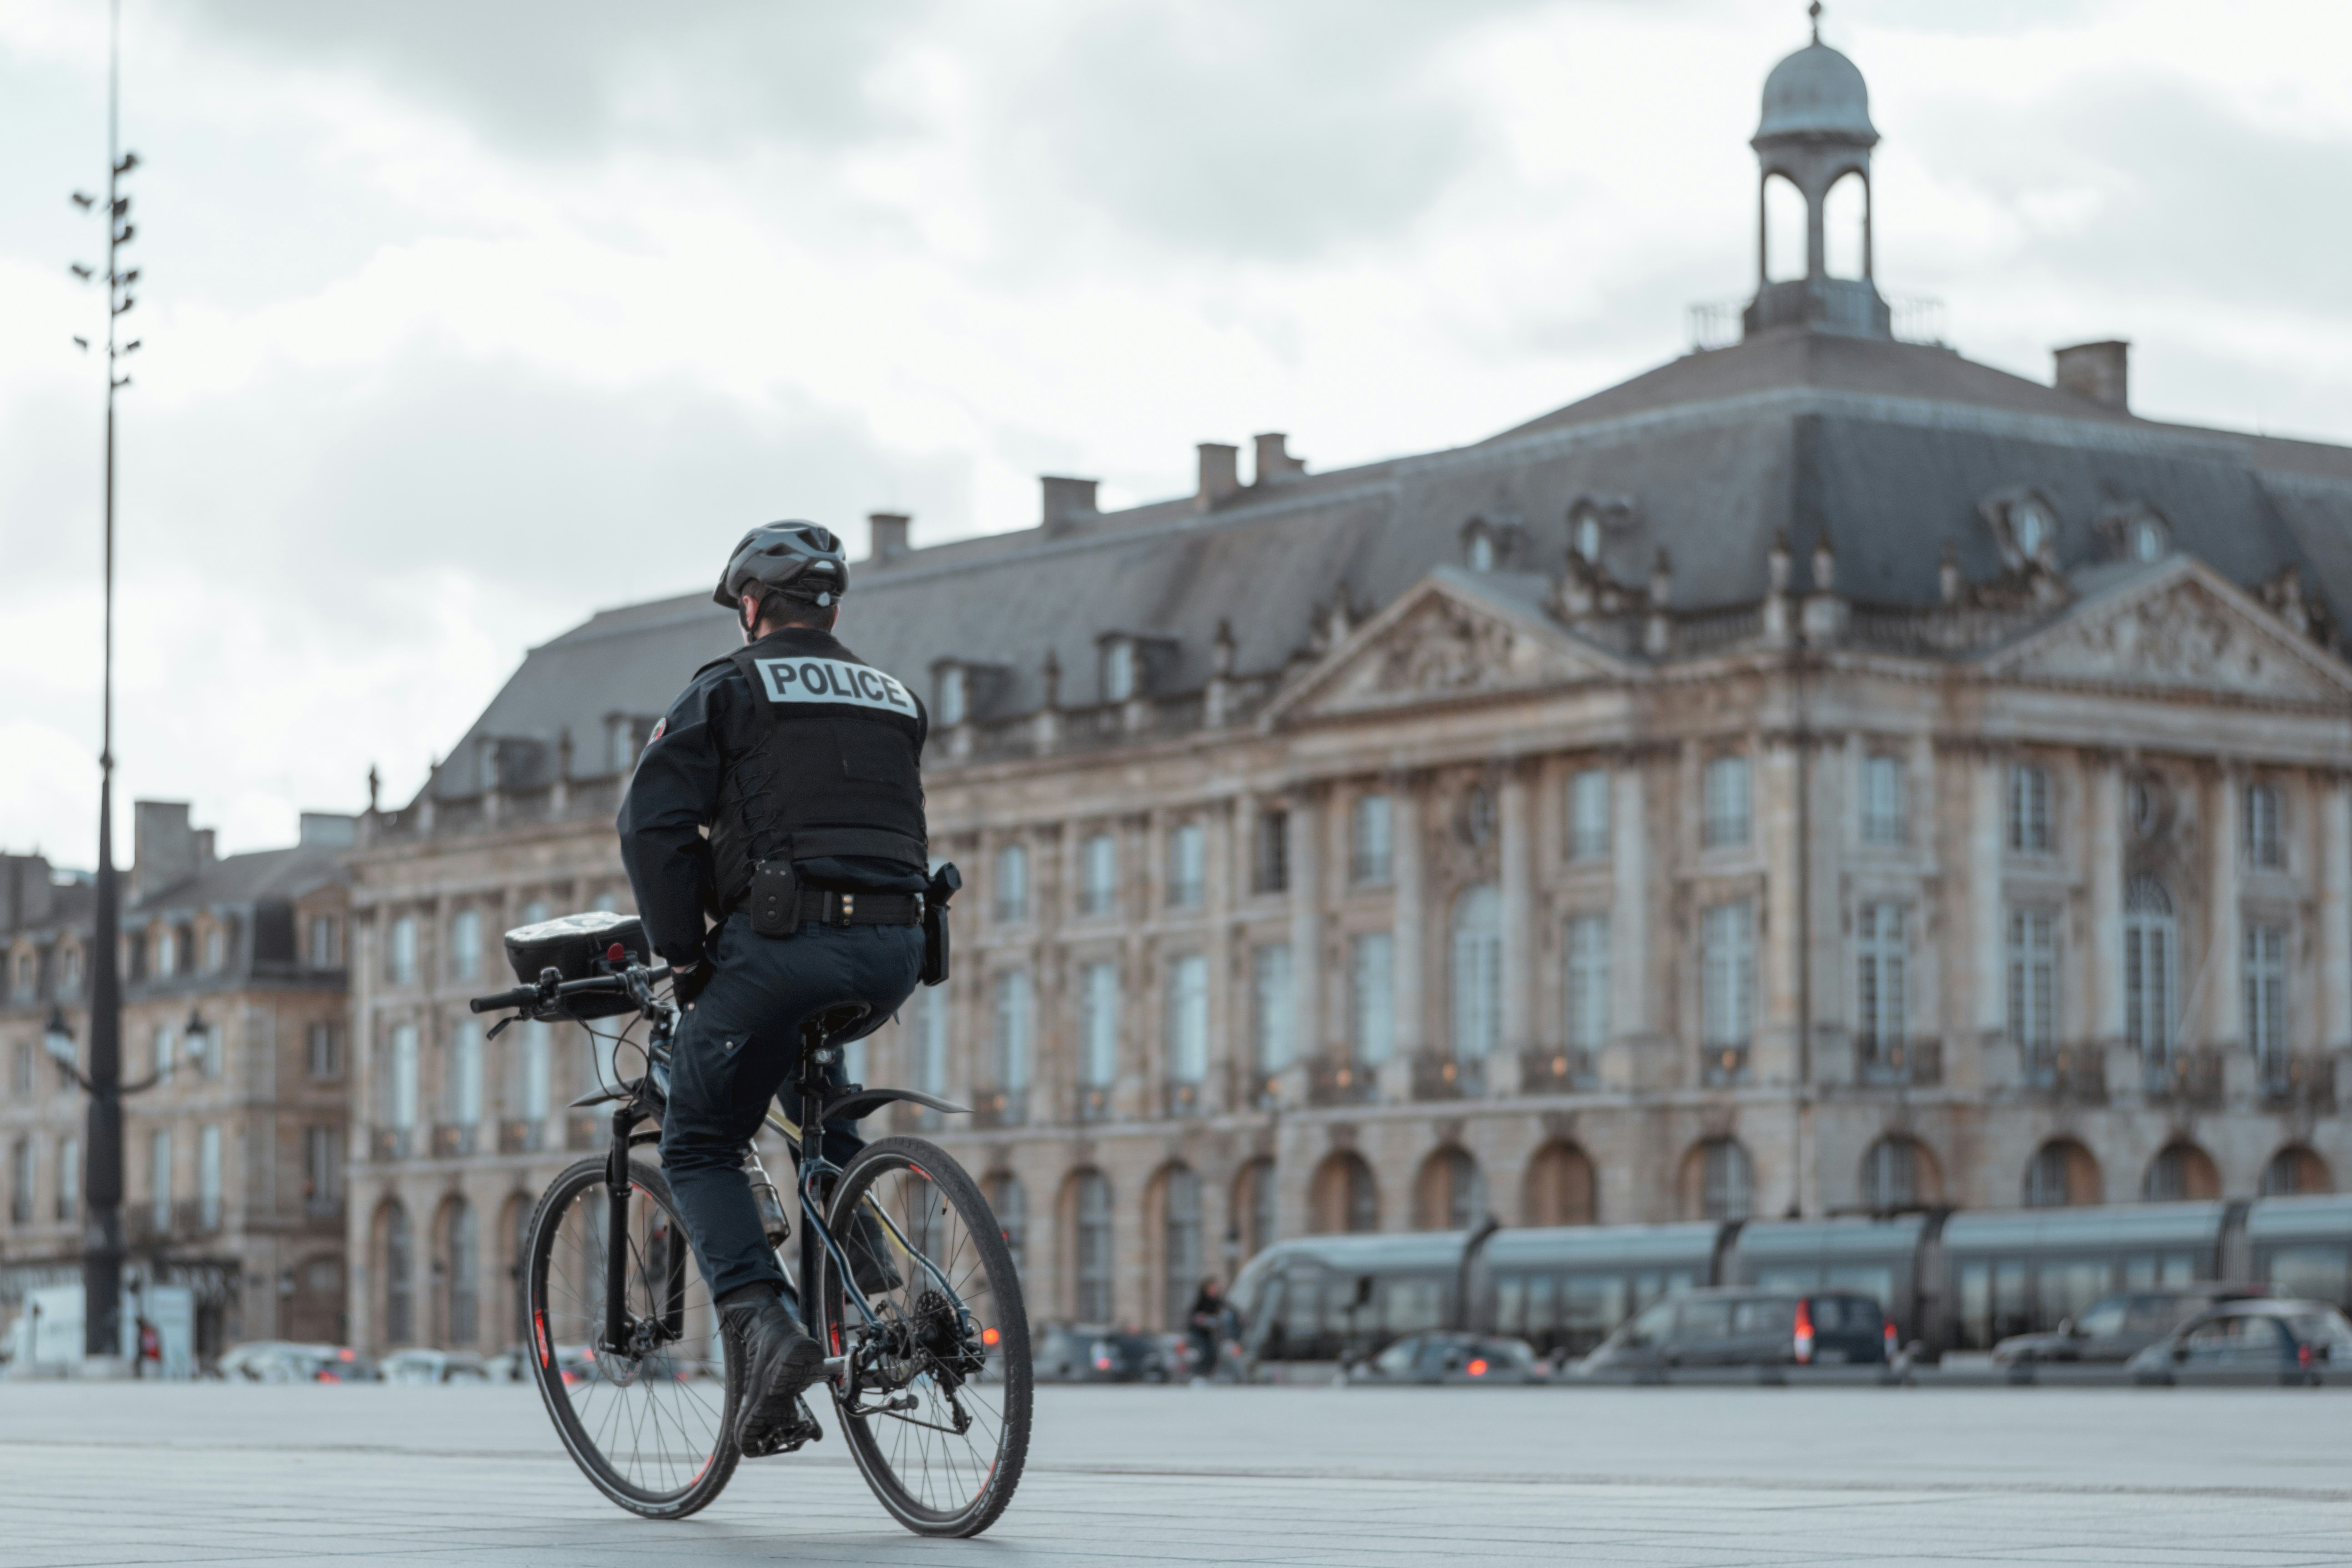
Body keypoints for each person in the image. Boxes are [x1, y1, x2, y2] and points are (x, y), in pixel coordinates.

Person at [617, 520, 933, 1455]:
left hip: (783, 945)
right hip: (895, 951)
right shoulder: (896, 698)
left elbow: (652, 827)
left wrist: (682, 954)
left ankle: (764, 1324)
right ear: (832, 607)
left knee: (700, 1137)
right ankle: (868, 1275)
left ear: (751, 607)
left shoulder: (726, 687)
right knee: (813, 1093)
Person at [1186, 1278, 1224, 1383]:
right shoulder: (1201, 1302)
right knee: (1204, 1353)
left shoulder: (1219, 1302)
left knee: (1214, 1353)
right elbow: (1193, 1318)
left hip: (1210, 1334)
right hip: (1199, 1333)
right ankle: (1199, 1375)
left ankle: (1209, 1375)